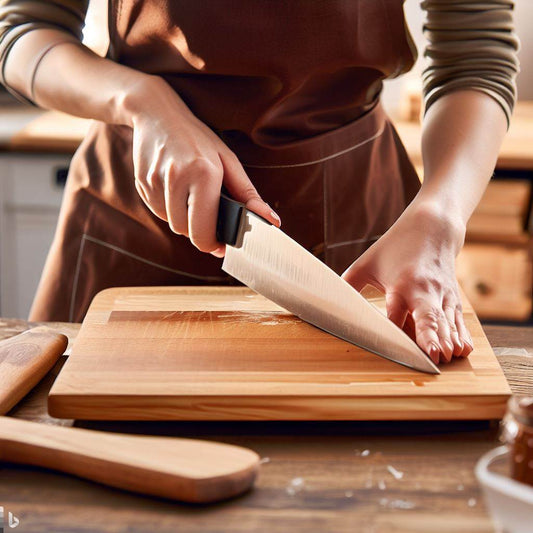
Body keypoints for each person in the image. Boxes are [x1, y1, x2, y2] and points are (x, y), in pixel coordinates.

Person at [0, 1, 519, 365]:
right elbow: (22, 33)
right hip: (137, 218)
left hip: (359, 213)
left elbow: (476, 59)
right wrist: (141, 102)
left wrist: (439, 217)